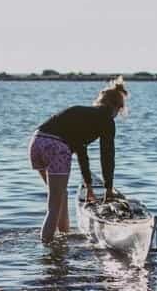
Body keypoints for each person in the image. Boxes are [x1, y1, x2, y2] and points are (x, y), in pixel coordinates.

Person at [29, 76, 129, 244]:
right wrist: (108, 189)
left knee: (61, 194)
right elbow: (107, 156)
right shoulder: (106, 120)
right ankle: (48, 250)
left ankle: (63, 237)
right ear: (117, 108)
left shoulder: (82, 113)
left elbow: (81, 151)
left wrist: (89, 186)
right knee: (54, 206)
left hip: (36, 142)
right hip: (57, 147)